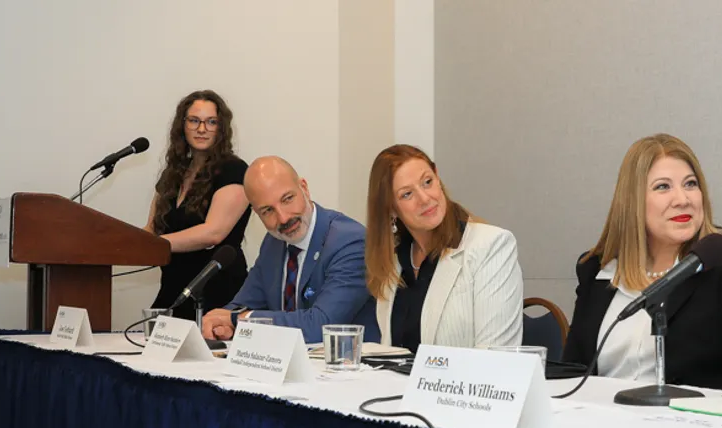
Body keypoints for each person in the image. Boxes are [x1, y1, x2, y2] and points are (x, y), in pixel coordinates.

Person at [563, 133, 722, 391]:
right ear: (632, 201)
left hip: (697, 424)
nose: (683, 199)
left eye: (691, 184)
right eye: (663, 187)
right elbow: (573, 372)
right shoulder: (596, 268)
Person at [199, 156, 377, 343]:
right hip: (284, 364)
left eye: (287, 199)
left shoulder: (350, 241)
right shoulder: (273, 242)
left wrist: (240, 320)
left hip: (345, 365)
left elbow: (321, 326)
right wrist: (222, 324)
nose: (283, 219)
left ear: (304, 189)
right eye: (268, 211)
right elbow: (242, 305)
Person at [365, 144, 523, 351]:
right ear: (391, 208)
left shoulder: (492, 246)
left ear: (438, 177)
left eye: (427, 182)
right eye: (407, 194)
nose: (425, 198)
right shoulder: (394, 262)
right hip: (400, 383)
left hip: (466, 383)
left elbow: (495, 357)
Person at [146, 90, 251, 321]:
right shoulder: (172, 174)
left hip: (216, 295)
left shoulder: (234, 170)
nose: (202, 129)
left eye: (211, 122)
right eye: (194, 121)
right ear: (182, 125)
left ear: (221, 128)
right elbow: (151, 229)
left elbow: (212, 233)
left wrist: (155, 244)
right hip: (173, 290)